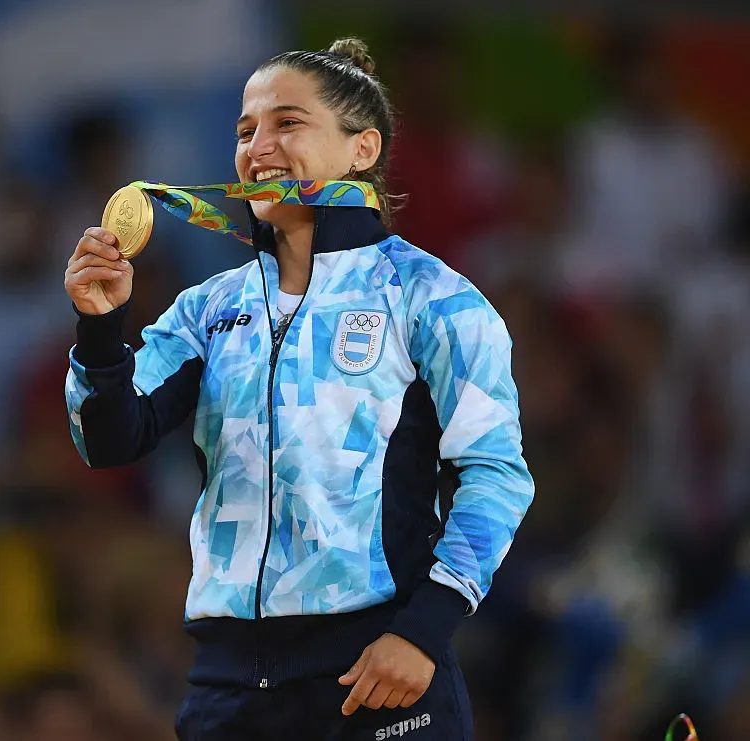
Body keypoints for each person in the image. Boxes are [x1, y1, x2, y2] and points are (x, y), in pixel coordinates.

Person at [63, 37, 533, 741]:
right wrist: (100, 332)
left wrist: (424, 630)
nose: (258, 146)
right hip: (230, 690)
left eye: (288, 123)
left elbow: (496, 476)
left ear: (361, 149)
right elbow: (109, 439)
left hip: (378, 670)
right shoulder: (207, 308)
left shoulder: (431, 297)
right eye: (245, 131)